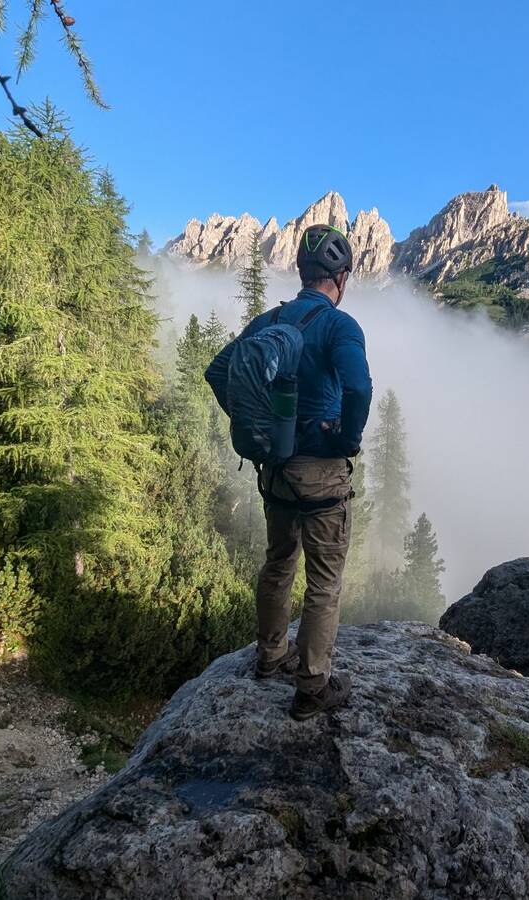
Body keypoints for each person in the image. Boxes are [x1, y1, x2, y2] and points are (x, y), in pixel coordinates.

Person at [205, 224, 372, 720]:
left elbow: (217, 371)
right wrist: (345, 439)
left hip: (274, 468)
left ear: (302, 272)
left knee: (279, 562)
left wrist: (258, 426)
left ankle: (270, 656)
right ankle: (312, 687)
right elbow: (359, 390)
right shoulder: (340, 326)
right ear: (340, 278)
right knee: (324, 581)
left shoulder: (268, 321)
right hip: (321, 472)